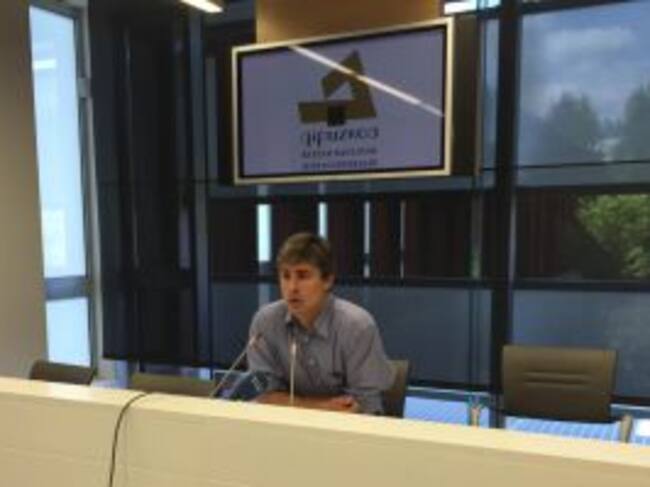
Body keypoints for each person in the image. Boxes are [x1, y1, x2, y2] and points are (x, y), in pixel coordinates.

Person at [246, 232, 395, 414]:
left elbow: (364, 406)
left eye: (303, 276)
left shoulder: (357, 326)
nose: (292, 287)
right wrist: (321, 407)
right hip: (285, 425)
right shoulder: (265, 323)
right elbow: (264, 396)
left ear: (327, 280)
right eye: (286, 276)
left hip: (344, 429)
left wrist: (290, 403)